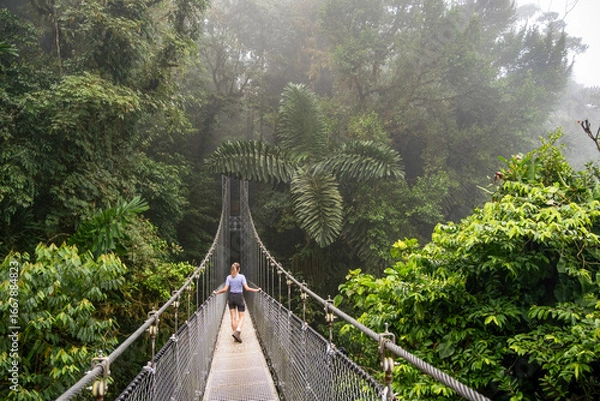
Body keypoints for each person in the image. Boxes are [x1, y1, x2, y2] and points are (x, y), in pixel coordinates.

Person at [213, 262, 260, 343]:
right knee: (241, 317)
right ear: (239, 269)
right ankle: (238, 330)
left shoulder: (229, 277)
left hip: (231, 297)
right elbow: (247, 288)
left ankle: (235, 336)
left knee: (233, 318)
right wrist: (257, 290)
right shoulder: (242, 277)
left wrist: (216, 292)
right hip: (239, 297)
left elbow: (225, 289)